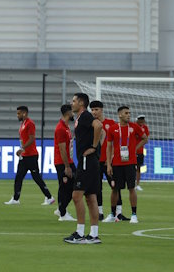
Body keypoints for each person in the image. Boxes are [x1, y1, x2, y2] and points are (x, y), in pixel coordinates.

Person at [63, 92, 103, 245]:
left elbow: (98, 126)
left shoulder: (85, 116)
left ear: (81, 103)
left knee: (76, 196)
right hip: (90, 162)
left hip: (87, 161)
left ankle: (80, 233)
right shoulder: (80, 118)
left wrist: (93, 147)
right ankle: (93, 235)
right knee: (91, 197)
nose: (71, 103)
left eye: (74, 101)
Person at [105, 106, 148, 224]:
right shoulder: (113, 129)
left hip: (130, 163)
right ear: (120, 115)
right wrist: (109, 164)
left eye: (129, 113)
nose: (128, 115)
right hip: (117, 163)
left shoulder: (134, 127)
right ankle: (112, 214)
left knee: (131, 188)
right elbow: (109, 147)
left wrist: (134, 149)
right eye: (126, 113)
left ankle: (134, 215)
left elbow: (145, 139)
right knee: (115, 189)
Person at [4, 106, 54, 206]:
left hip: (31, 155)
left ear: (24, 113)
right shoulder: (23, 124)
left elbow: (31, 139)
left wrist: (22, 148)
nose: (17, 115)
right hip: (24, 156)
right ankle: (15, 198)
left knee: (36, 177)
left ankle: (49, 197)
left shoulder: (30, 123)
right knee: (19, 177)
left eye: (19, 113)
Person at [90, 100, 122, 222]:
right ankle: (100, 212)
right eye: (92, 110)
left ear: (102, 110)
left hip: (109, 162)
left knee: (115, 186)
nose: (94, 112)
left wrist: (112, 158)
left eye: (96, 109)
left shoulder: (110, 124)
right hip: (96, 162)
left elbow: (115, 143)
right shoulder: (90, 124)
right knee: (97, 188)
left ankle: (118, 213)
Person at [53, 104, 76, 222]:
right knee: (66, 187)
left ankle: (61, 209)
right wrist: (67, 166)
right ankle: (63, 213)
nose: (74, 114)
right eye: (72, 112)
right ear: (68, 113)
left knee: (72, 185)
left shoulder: (66, 127)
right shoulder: (61, 128)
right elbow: (62, 149)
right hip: (63, 163)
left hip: (68, 161)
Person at [135, 115, 149, 191]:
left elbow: (146, 138)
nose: (142, 121)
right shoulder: (134, 127)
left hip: (140, 151)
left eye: (143, 119)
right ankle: (131, 183)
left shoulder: (145, 128)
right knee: (131, 168)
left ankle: (137, 185)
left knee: (138, 168)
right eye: (140, 119)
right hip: (132, 150)